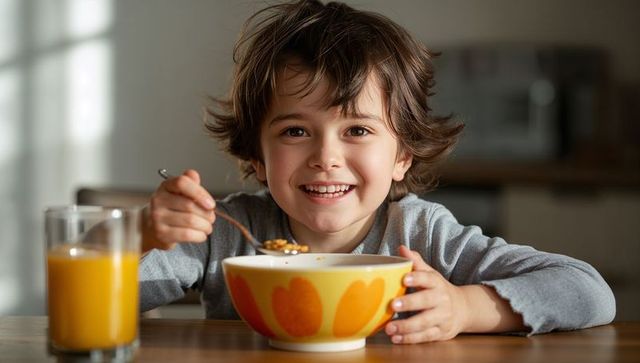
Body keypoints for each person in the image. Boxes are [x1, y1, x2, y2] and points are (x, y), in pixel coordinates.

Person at [139, 0, 615, 344]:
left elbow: (589, 292)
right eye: (295, 133)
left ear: (402, 155)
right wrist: (140, 237)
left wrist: (465, 307)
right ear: (257, 156)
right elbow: (66, 301)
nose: (326, 157)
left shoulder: (422, 236)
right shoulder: (219, 237)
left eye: (358, 131)